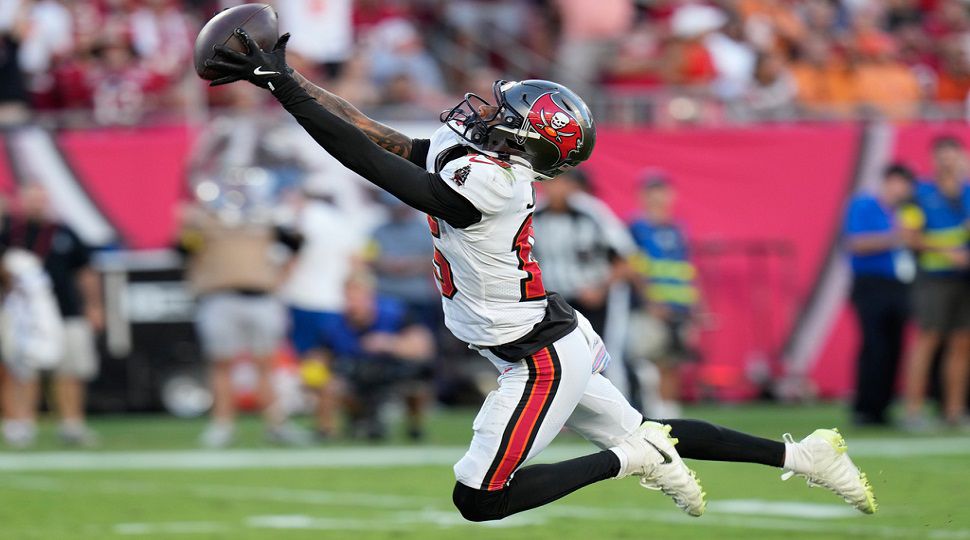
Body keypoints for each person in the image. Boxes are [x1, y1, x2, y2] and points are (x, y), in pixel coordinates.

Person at [203, 29, 877, 521]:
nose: (490, 115)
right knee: (651, 423)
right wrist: (286, 77)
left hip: (538, 357)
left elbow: (368, 163)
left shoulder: (499, 183)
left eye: (508, 116)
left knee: (479, 499)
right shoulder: (474, 154)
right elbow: (372, 132)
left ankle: (633, 461)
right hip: (552, 334)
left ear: (526, 142)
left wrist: (284, 93)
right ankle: (806, 458)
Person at [178, 203, 309, 448]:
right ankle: (222, 425)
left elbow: (296, 243)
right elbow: (183, 250)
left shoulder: (263, 217)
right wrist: (188, 225)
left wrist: (283, 274)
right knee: (221, 363)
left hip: (261, 296)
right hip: (219, 295)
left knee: (266, 363)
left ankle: (276, 424)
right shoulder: (205, 220)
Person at [0, 183, 103, 447]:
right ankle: (23, 423)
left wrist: (93, 305)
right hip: (23, 316)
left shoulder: (63, 232)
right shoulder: (10, 233)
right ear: (20, 202)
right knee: (23, 371)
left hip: (65, 310)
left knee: (69, 371)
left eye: (40, 199)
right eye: (30, 199)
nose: (36, 204)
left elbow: (85, 270)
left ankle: (72, 423)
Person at [313, 272, 434, 440]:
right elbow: (321, 357)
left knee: (417, 386)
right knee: (329, 385)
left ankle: (415, 426)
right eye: (349, 296)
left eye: (358, 296)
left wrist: (390, 344)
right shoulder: (334, 323)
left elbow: (423, 347)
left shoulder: (395, 314)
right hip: (356, 374)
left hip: (390, 370)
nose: (352, 302)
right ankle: (327, 430)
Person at [901, 136, 970, 430]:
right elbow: (909, 236)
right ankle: (913, 411)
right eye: (942, 156)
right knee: (927, 341)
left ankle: (954, 411)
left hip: (964, 280)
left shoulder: (967, 192)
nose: (948, 161)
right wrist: (948, 253)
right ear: (933, 159)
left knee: (962, 344)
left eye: (953, 156)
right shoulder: (918, 194)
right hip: (933, 279)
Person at [843, 164, 916, 426]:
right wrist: (896, 237)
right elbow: (857, 243)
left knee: (896, 346)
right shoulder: (864, 206)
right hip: (871, 284)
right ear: (886, 182)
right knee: (874, 345)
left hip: (901, 283)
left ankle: (884, 407)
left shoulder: (909, 211)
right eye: (896, 182)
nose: (900, 189)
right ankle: (865, 407)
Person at [628, 174, 700, 419]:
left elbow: (684, 268)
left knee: (673, 362)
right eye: (652, 191)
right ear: (643, 196)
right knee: (646, 361)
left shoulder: (678, 228)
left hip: (679, 305)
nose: (658, 197)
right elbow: (633, 267)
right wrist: (649, 301)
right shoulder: (635, 229)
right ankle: (650, 413)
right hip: (650, 308)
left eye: (663, 191)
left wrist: (696, 303)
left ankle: (670, 415)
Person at [532, 169, 635, 336]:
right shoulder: (533, 214)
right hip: (549, 304)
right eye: (552, 181)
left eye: (563, 181)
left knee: (598, 354)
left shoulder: (592, 212)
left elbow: (624, 260)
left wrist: (600, 290)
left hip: (591, 302)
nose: (556, 187)